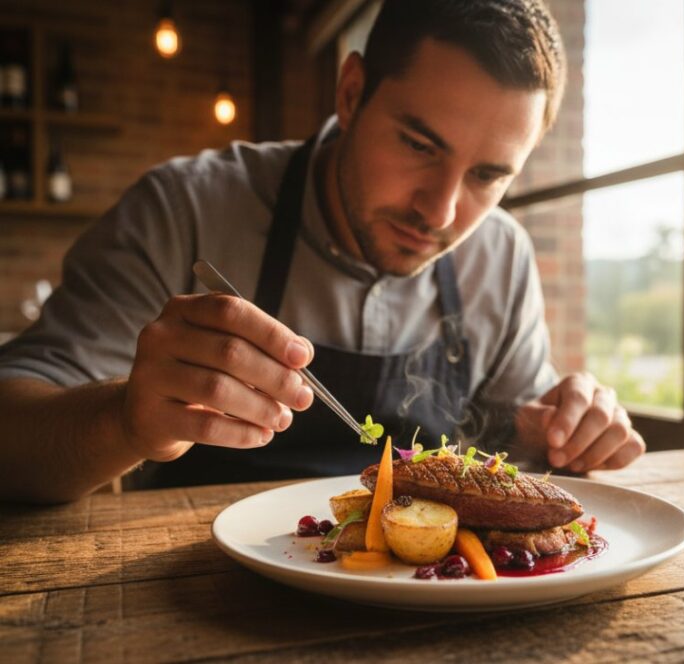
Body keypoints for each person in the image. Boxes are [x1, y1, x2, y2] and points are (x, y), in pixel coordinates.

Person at [0, 0, 645, 503]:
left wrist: (567, 432)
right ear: (350, 92)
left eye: (487, 177)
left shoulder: (500, 256)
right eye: (420, 145)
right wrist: (125, 420)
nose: (441, 212)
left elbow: (510, 435)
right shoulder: (183, 210)